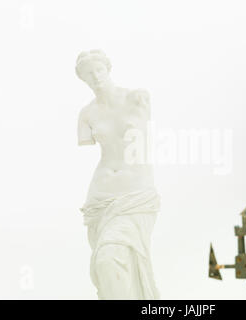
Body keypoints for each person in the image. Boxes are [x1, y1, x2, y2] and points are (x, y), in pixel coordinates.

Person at [76, 49, 160, 299]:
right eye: (88, 75)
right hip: (100, 199)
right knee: (108, 270)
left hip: (135, 194)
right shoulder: (86, 114)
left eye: (98, 70)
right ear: (83, 80)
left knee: (109, 258)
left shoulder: (137, 98)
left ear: (108, 68)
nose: (96, 77)